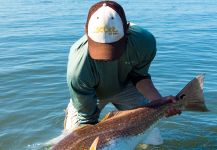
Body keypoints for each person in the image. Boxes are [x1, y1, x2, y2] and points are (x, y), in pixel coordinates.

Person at [66, 1, 181, 130]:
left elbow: (139, 77)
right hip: (92, 95)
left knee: (153, 140)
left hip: (126, 87)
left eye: (114, 46)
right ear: (85, 29)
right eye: (101, 47)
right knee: (73, 138)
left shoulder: (144, 42)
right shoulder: (78, 66)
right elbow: (87, 119)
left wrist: (160, 102)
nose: (107, 59)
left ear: (127, 28)